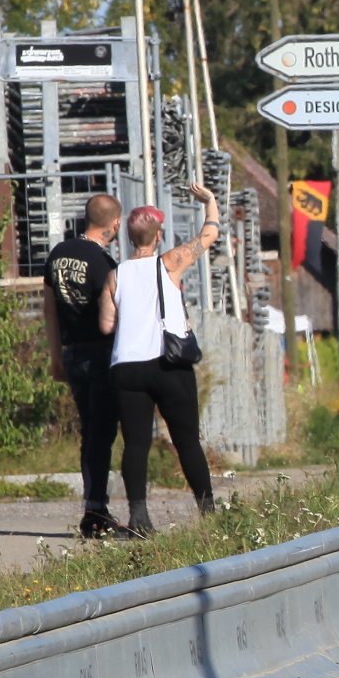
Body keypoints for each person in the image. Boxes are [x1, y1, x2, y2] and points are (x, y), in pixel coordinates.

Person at [96, 185, 220, 535]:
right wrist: (210, 202)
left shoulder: (115, 275)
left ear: (128, 237)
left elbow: (106, 325)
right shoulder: (170, 262)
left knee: (136, 443)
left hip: (127, 367)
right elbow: (209, 234)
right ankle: (209, 513)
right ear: (158, 235)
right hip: (168, 364)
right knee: (186, 441)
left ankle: (139, 519)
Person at [43, 193, 123, 537]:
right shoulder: (104, 263)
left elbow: (49, 309)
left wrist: (55, 356)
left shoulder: (57, 254)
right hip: (101, 354)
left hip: (72, 352)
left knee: (89, 431)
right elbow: (114, 313)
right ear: (114, 224)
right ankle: (96, 511)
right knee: (102, 433)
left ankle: (93, 504)